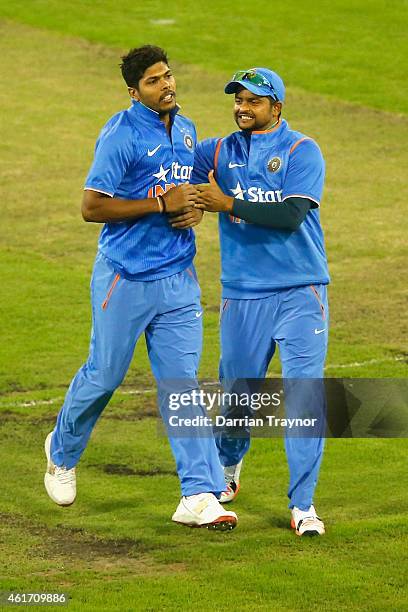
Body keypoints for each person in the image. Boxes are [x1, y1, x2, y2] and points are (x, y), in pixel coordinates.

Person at [44, 45, 237, 531]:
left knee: (182, 386)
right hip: (124, 278)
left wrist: (191, 209)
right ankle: (62, 452)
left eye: (168, 75)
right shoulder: (121, 134)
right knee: (105, 376)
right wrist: (158, 204)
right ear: (135, 92)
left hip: (177, 279)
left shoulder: (187, 128)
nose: (166, 84)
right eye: (154, 81)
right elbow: (92, 207)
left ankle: (197, 495)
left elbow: (183, 191)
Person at [192, 67, 329, 536]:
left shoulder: (301, 150)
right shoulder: (217, 150)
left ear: (277, 107)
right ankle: (228, 468)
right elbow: (176, 169)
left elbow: (292, 215)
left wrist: (226, 203)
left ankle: (303, 506)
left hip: (300, 293)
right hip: (242, 295)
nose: (242, 108)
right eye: (238, 100)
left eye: (253, 101)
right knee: (237, 398)